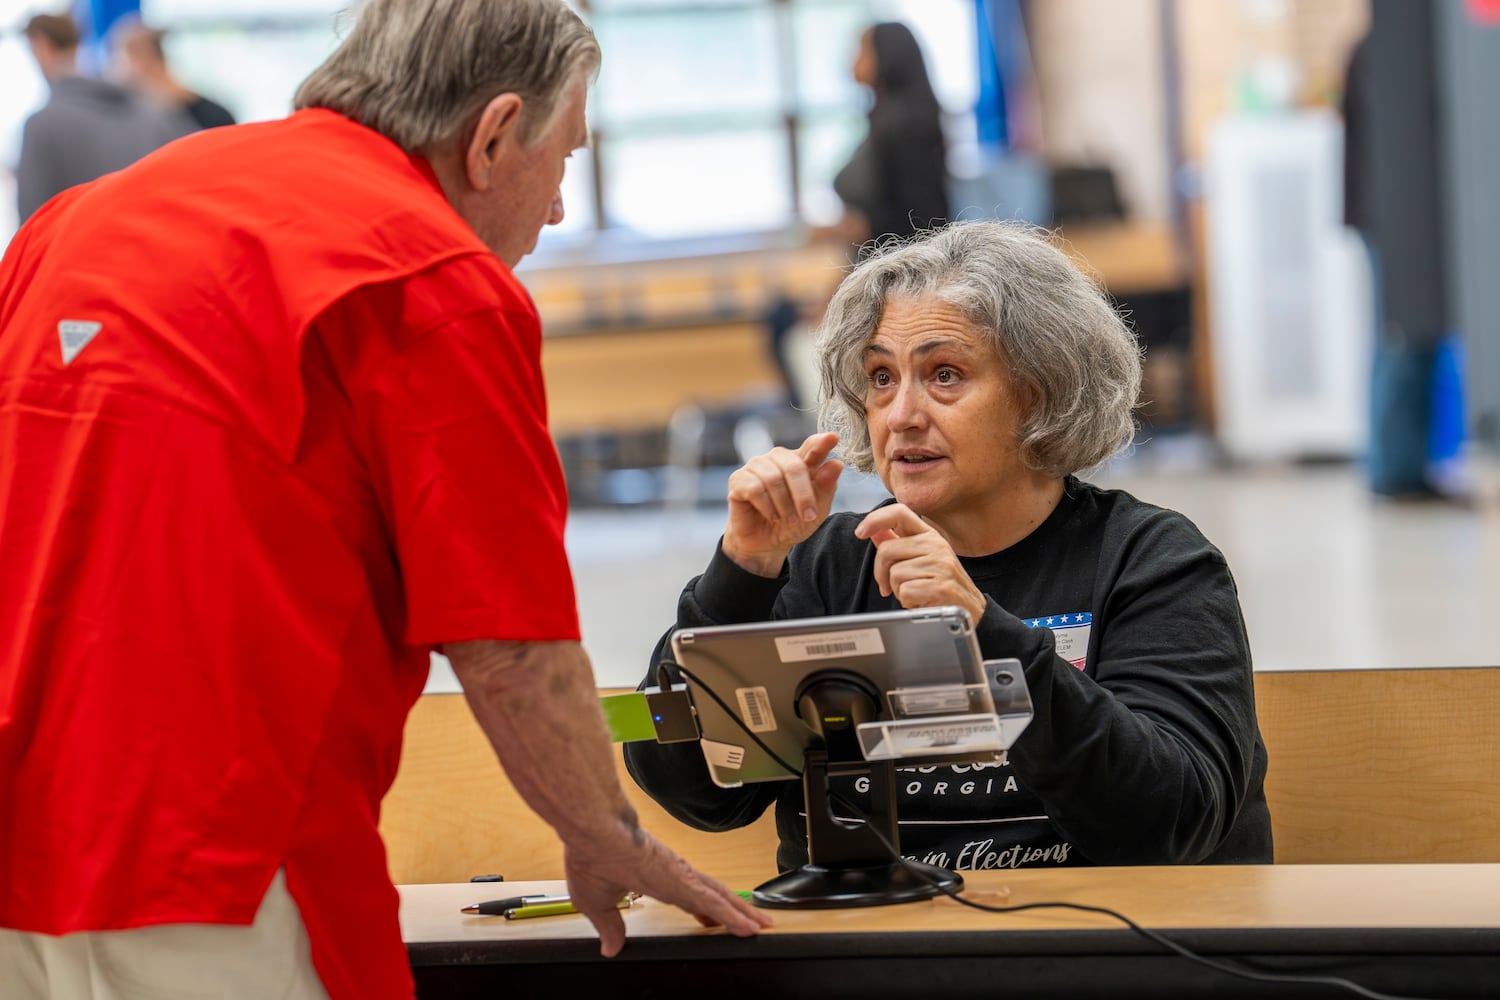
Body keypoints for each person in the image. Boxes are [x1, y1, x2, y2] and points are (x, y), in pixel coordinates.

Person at [0, 2, 767, 998]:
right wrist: (605, 836)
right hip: (226, 861)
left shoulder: (78, 222)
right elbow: (512, 649)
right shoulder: (427, 274)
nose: (558, 209)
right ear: (492, 136)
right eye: (565, 159)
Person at [626, 220, 1272, 875]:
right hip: (870, 955)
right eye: (880, 377)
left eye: (944, 374)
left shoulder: (1153, 562)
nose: (901, 413)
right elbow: (698, 795)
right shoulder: (825, 567)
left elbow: (1172, 823)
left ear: (1039, 393)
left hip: (1096, 953)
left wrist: (983, 635)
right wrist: (738, 578)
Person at [769, 21, 948, 411]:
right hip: (868, 269)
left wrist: (842, 297)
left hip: (896, 282)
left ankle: (837, 438)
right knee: (781, 314)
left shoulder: (904, 126)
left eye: (861, 50)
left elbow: (909, 228)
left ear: (888, 58)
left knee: (788, 328)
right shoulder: (885, 119)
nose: (852, 60)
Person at [16, 12, 191, 223]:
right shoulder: (147, 111)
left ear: (41, 47)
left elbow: (31, 224)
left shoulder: (42, 125)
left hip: (79, 252)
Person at [112, 18, 237, 131]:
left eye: (118, 57)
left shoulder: (212, 118)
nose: (114, 69)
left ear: (141, 59)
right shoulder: (211, 114)